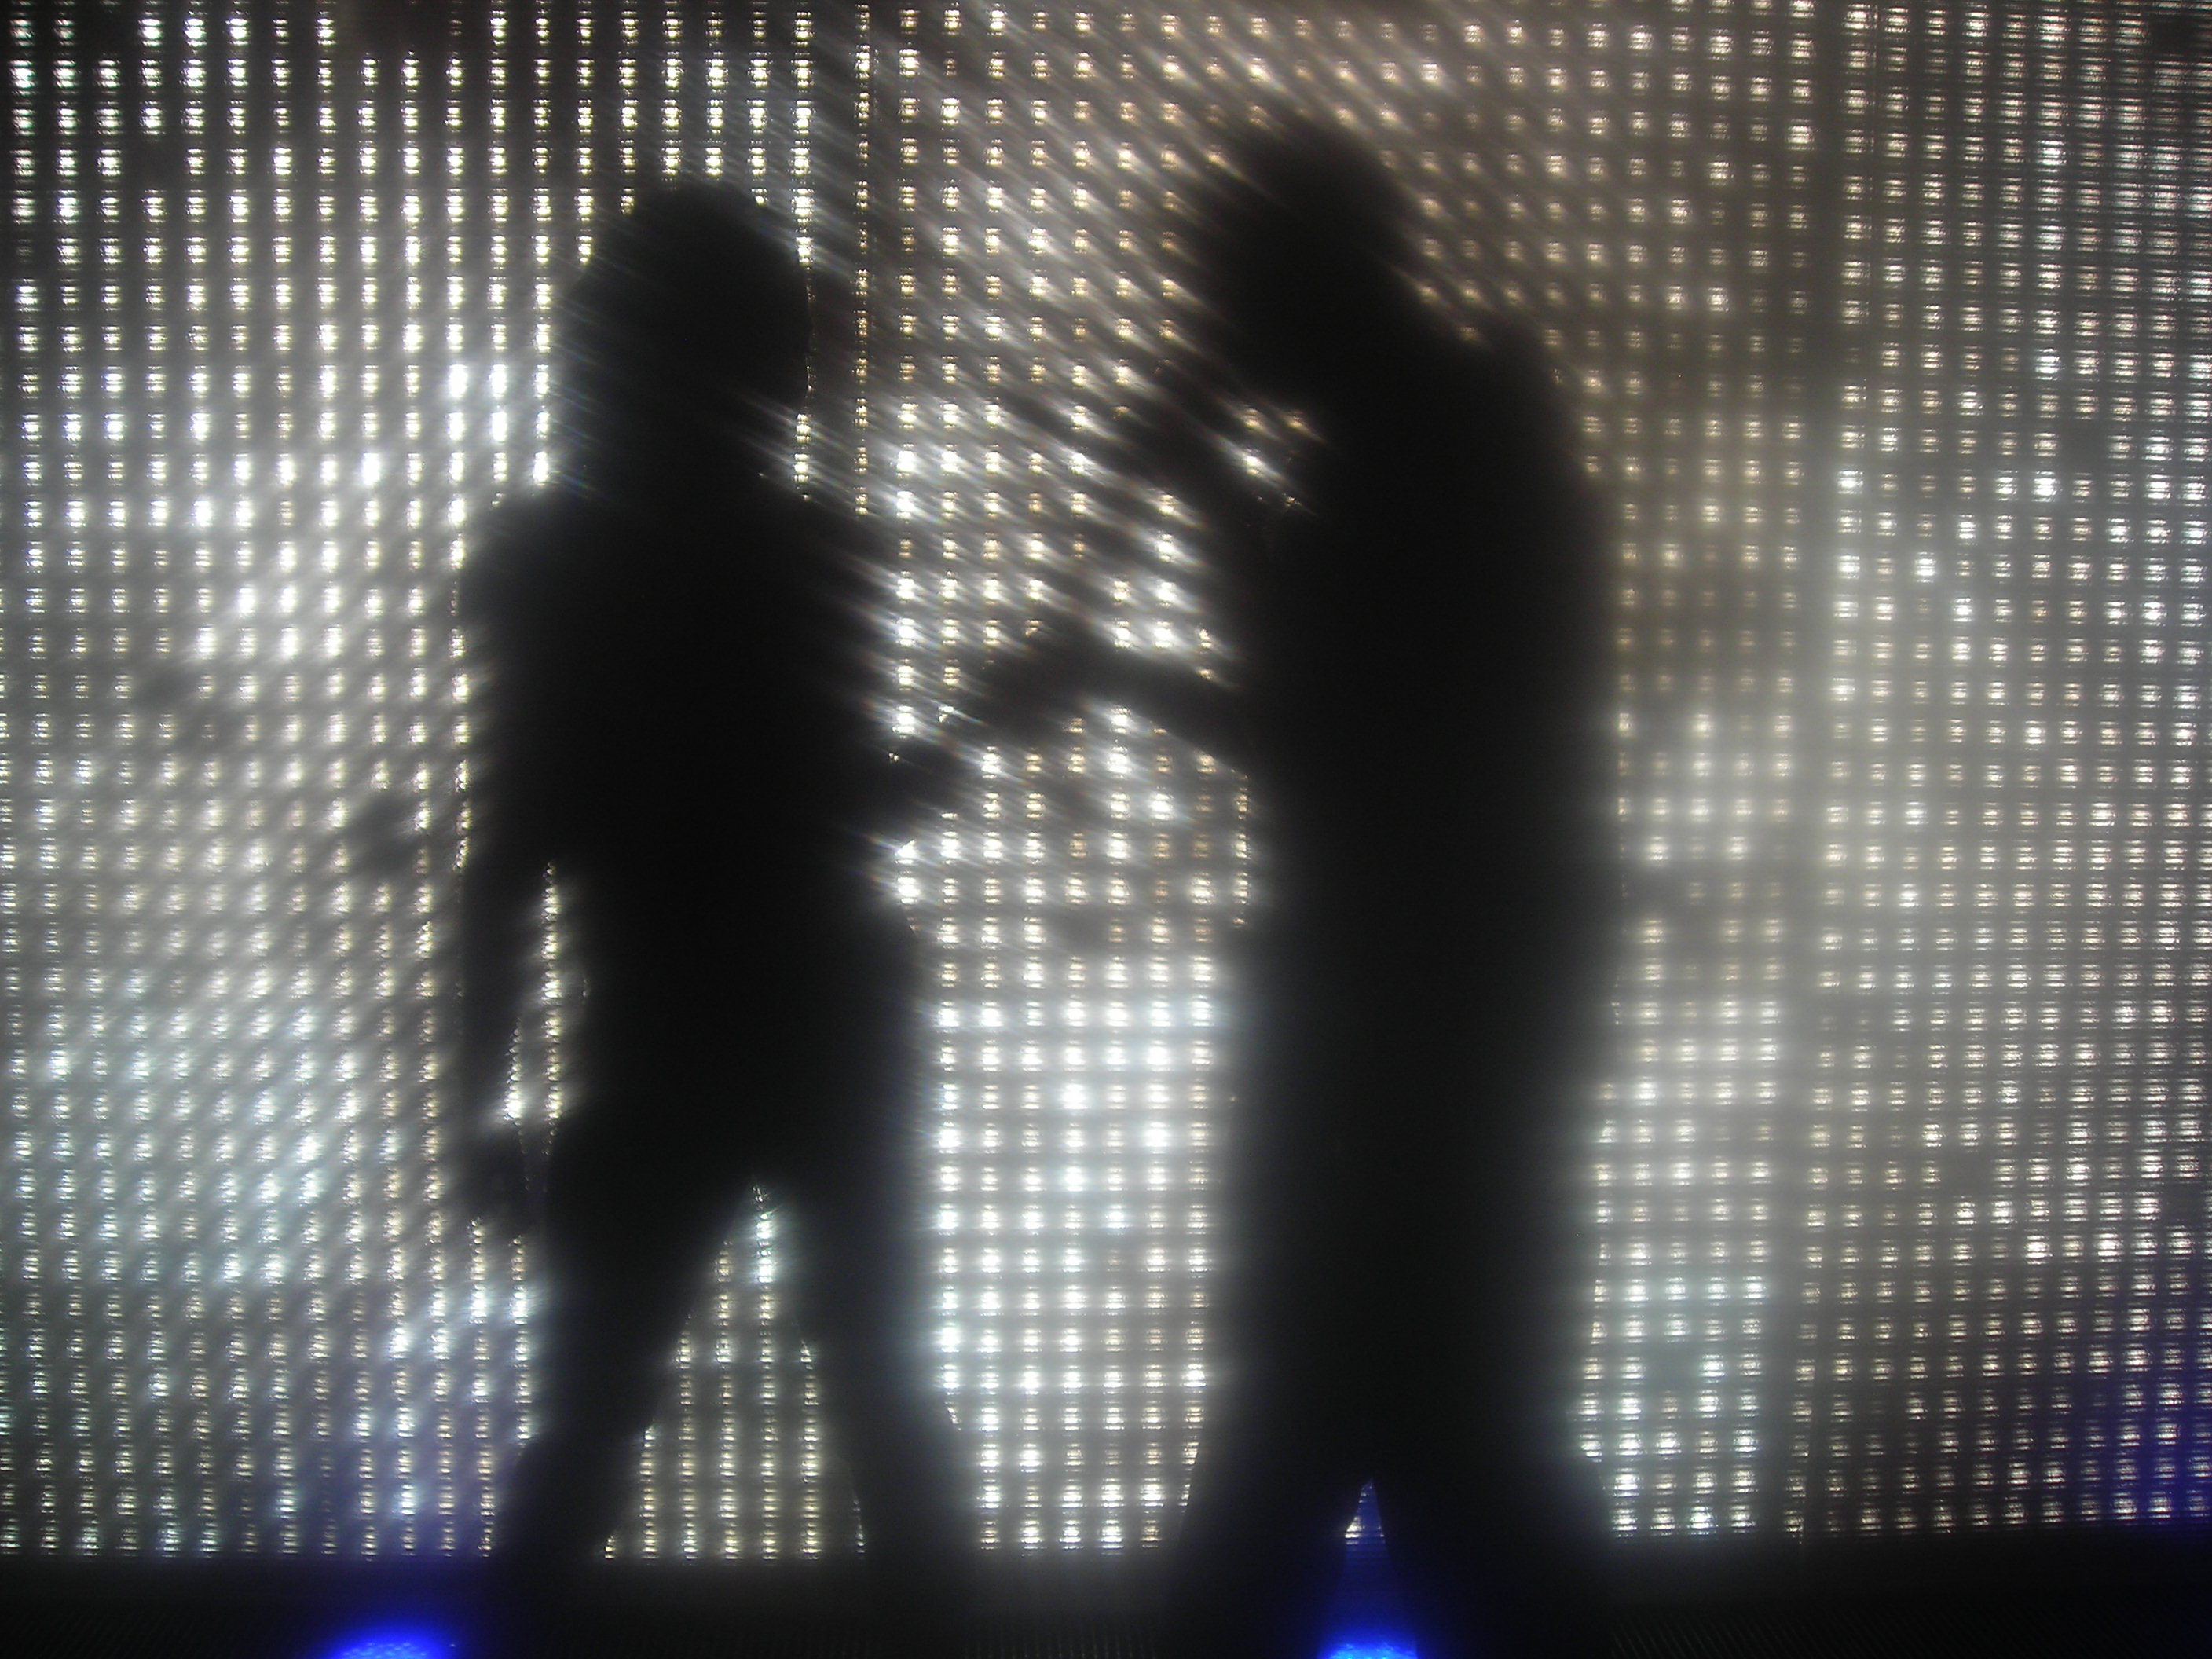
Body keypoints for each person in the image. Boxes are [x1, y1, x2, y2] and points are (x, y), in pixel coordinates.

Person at [1081, 128, 1614, 1659]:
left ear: (1300, 282)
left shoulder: (1422, 453)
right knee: (1442, 1440)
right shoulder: (1446, 432)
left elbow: (1322, 727)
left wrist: (1139, 608)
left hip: (1399, 1038)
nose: (1211, 333)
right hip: (1442, 1026)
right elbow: (1323, 662)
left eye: (1226, 294)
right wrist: (1198, 495)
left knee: (1372, 1433)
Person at [453, 181, 971, 1657]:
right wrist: (938, 763)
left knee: (597, 1416)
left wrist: (477, 1100)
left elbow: (518, 852)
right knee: (879, 1401)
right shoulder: (806, 559)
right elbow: (815, 811)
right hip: (815, 1035)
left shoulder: (564, 571)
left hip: (664, 1038)